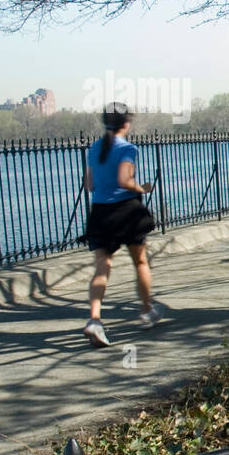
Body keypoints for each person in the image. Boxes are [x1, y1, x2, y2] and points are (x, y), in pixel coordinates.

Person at [81, 103, 160, 347]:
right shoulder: (128, 148)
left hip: (101, 212)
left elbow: (89, 185)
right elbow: (125, 180)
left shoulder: (95, 148)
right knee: (140, 262)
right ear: (126, 124)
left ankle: (94, 320)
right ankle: (147, 311)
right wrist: (143, 188)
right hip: (126, 212)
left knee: (102, 268)